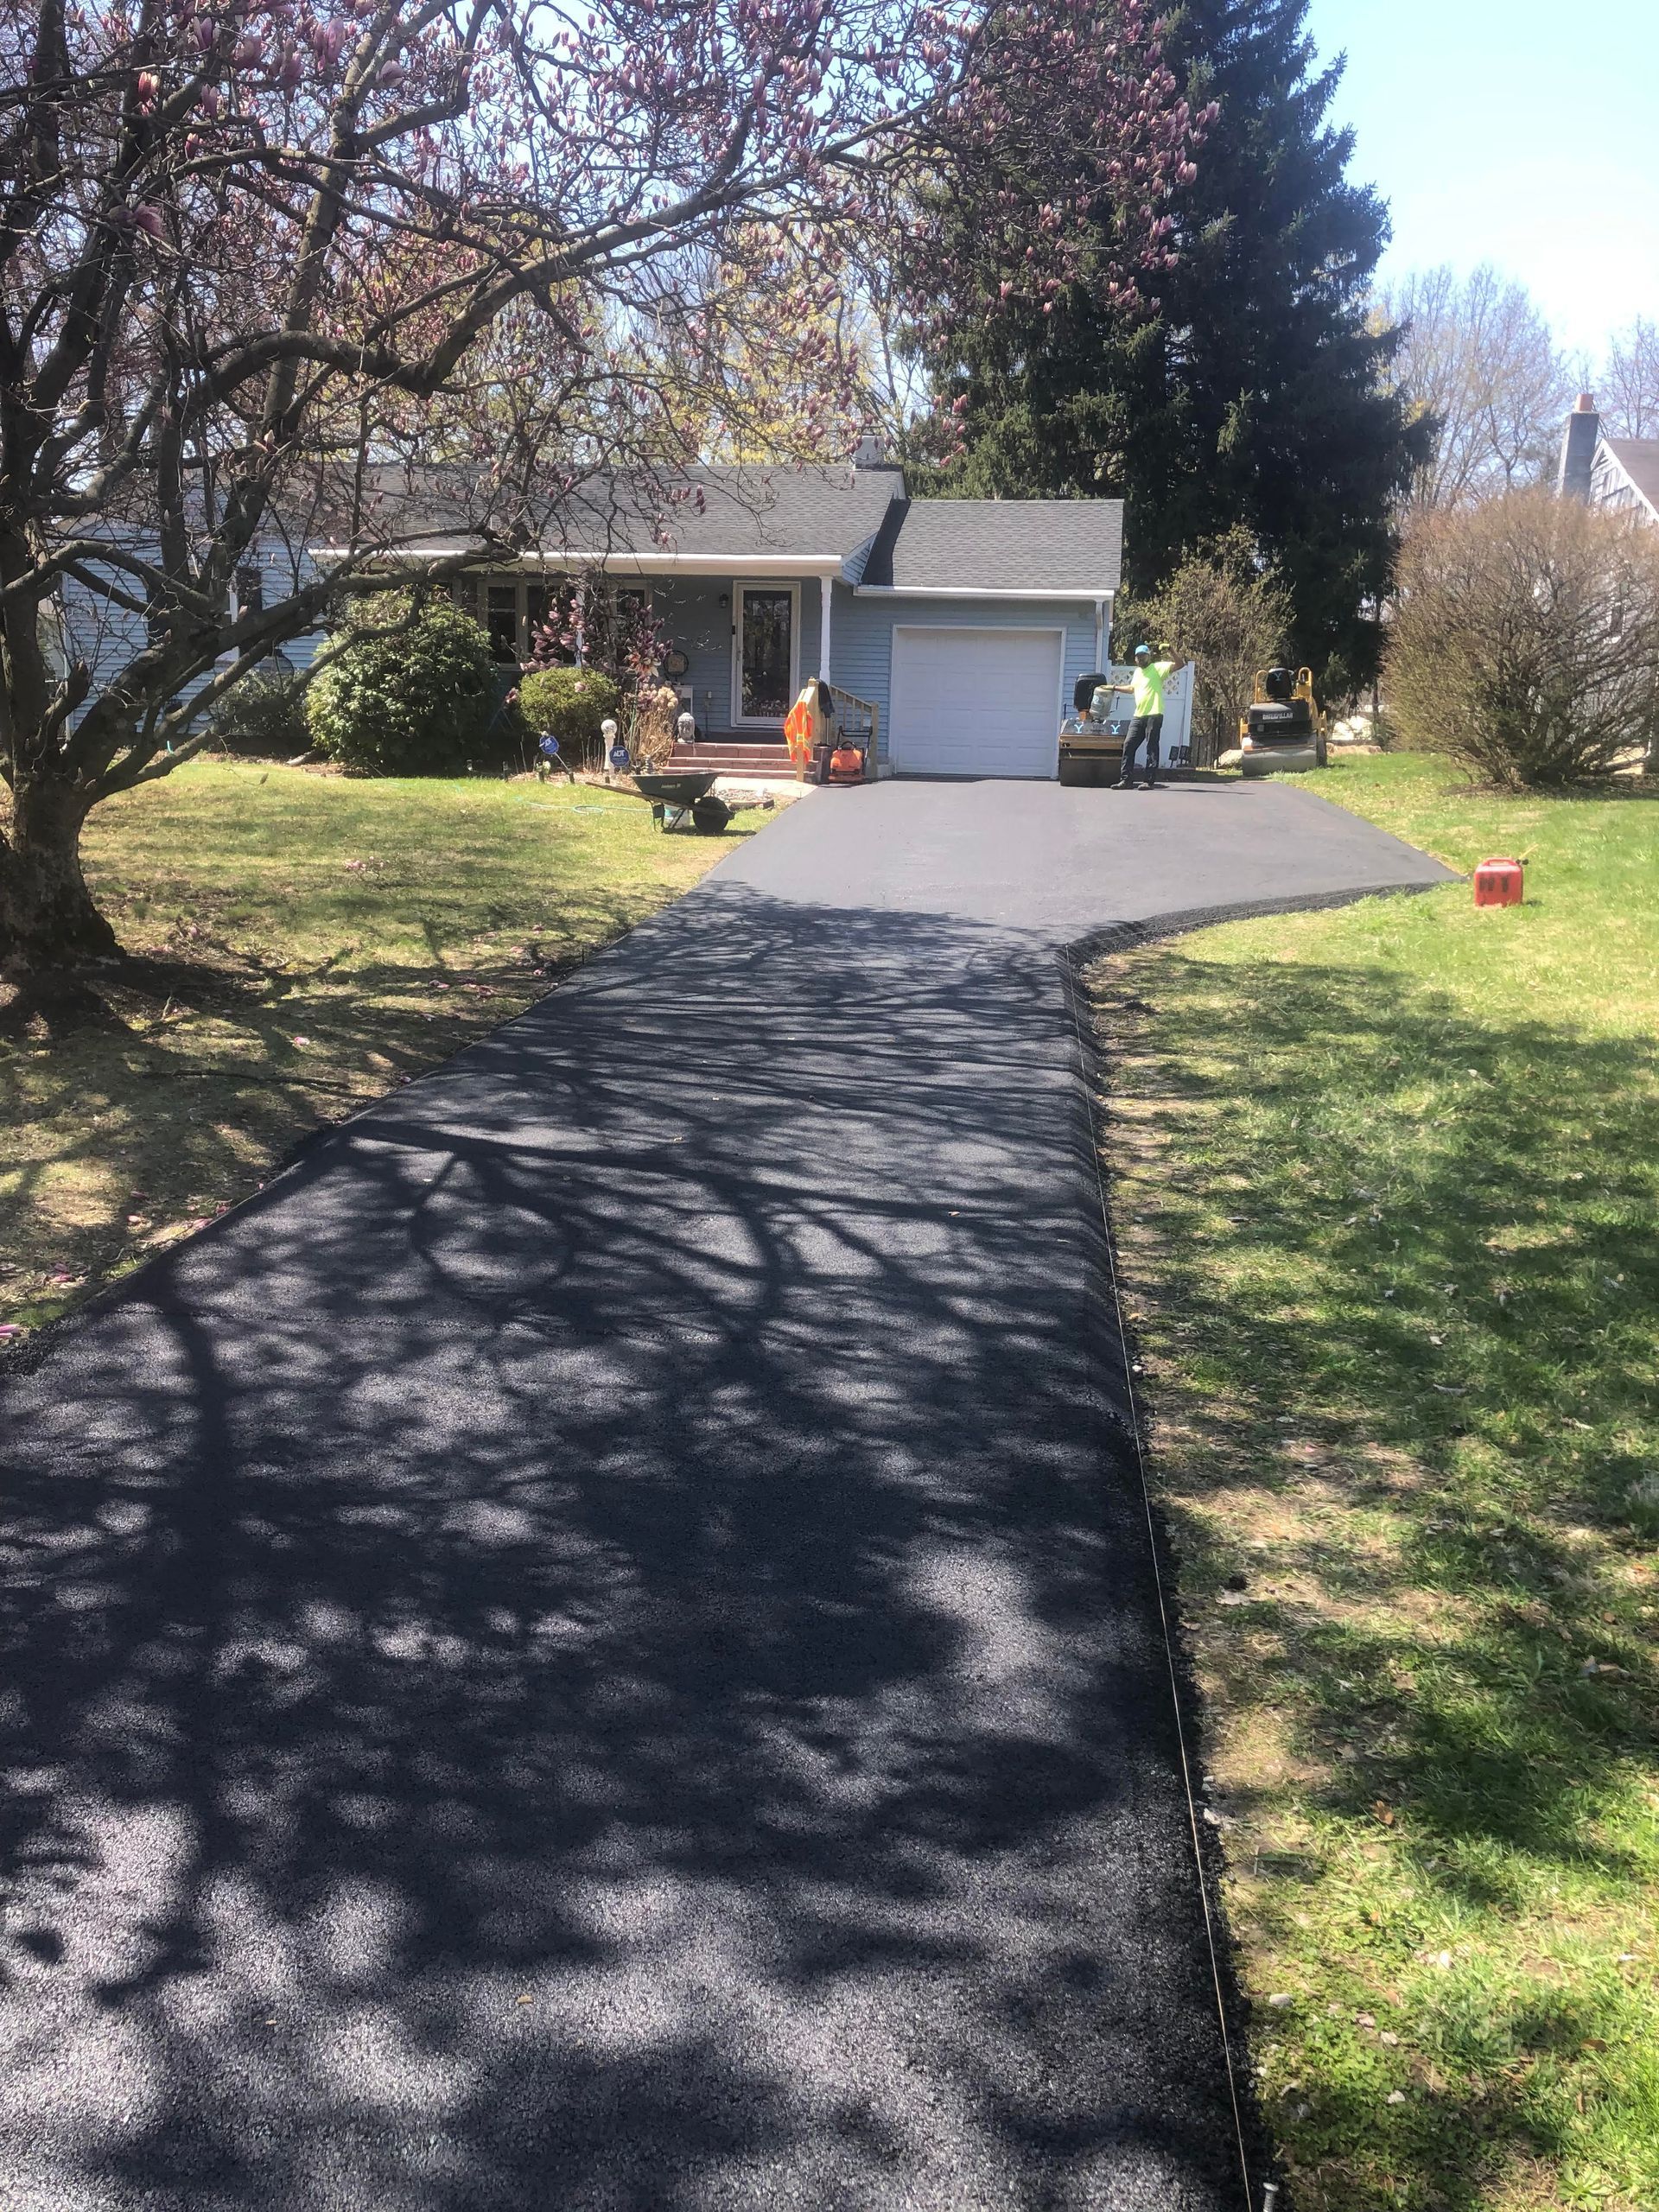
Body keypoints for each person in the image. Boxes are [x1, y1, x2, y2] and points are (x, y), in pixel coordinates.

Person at [1109, 644, 1176, 787]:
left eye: (1143, 656)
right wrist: (1114, 688)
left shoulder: (1157, 668)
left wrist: (1171, 650)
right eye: (1138, 656)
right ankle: (1126, 780)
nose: (1140, 658)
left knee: (1151, 747)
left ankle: (1148, 781)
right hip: (1139, 715)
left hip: (1154, 714)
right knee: (1128, 744)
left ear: (1149, 656)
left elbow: (1180, 664)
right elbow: (1132, 689)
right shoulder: (1137, 673)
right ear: (1135, 659)